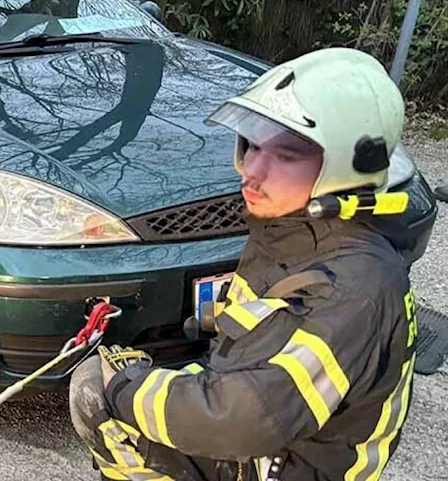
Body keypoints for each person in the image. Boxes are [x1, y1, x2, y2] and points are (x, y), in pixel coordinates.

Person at [68, 47, 420, 481]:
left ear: (348, 168)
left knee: (100, 399)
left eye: (286, 155)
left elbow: (245, 420)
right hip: (270, 440)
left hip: (285, 463)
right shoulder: (291, 233)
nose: (251, 170)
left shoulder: (355, 288)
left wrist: (127, 387)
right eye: (251, 145)